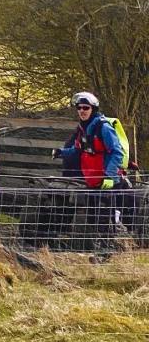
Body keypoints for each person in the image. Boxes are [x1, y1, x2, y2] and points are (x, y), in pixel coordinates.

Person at [53, 91, 125, 252]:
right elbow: (78, 150)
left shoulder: (103, 127)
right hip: (92, 180)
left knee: (105, 217)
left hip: (107, 181)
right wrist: (61, 152)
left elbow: (117, 152)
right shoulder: (83, 129)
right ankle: (99, 251)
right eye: (79, 108)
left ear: (93, 109)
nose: (82, 111)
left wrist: (109, 175)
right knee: (93, 217)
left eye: (86, 107)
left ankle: (107, 251)